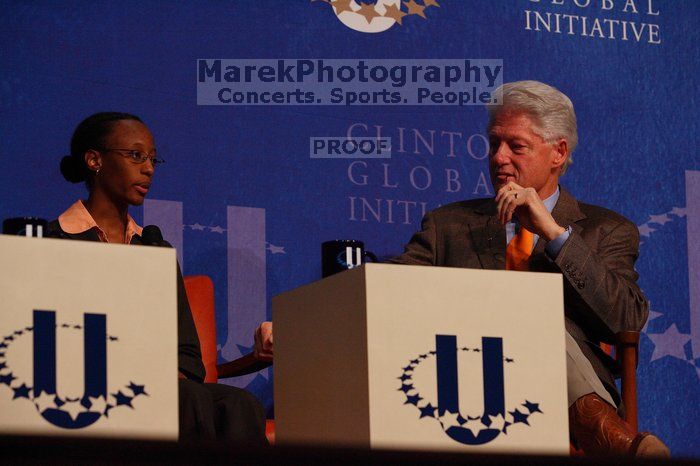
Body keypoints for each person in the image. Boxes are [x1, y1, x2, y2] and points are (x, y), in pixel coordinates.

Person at [386, 80, 669, 457]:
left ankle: (614, 443)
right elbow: (389, 292)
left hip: (558, 398)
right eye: (493, 144)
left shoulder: (607, 229)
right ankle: (623, 450)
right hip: (458, 380)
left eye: (515, 146)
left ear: (558, 152)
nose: (498, 157)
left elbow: (626, 317)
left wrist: (554, 234)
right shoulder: (447, 225)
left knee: (536, 320)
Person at [48, 112, 267, 444]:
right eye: (135, 156)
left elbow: (188, 352)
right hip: (82, 385)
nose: (148, 169)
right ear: (94, 160)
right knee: (189, 399)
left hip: (160, 387)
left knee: (240, 404)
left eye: (152, 158)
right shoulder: (51, 241)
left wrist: (164, 380)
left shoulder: (154, 246)